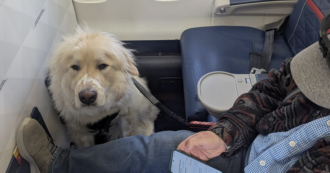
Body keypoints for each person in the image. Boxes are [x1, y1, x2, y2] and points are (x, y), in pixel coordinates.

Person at [17, 40, 330, 173]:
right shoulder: (316, 55)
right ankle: (59, 165)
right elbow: (272, 88)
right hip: (253, 151)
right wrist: (227, 132)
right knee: (154, 148)